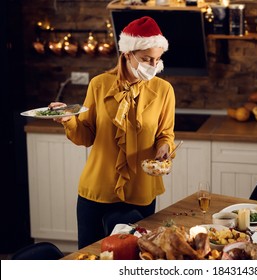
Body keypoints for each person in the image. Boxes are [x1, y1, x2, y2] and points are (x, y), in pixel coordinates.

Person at [49, 16, 176, 249]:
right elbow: (86, 136)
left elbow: (165, 133)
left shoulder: (164, 90)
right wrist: (69, 121)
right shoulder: (99, 85)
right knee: (90, 260)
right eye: (147, 59)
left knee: (132, 260)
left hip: (140, 191)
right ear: (128, 54)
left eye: (157, 59)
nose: (153, 65)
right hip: (97, 190)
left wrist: (164, 148)